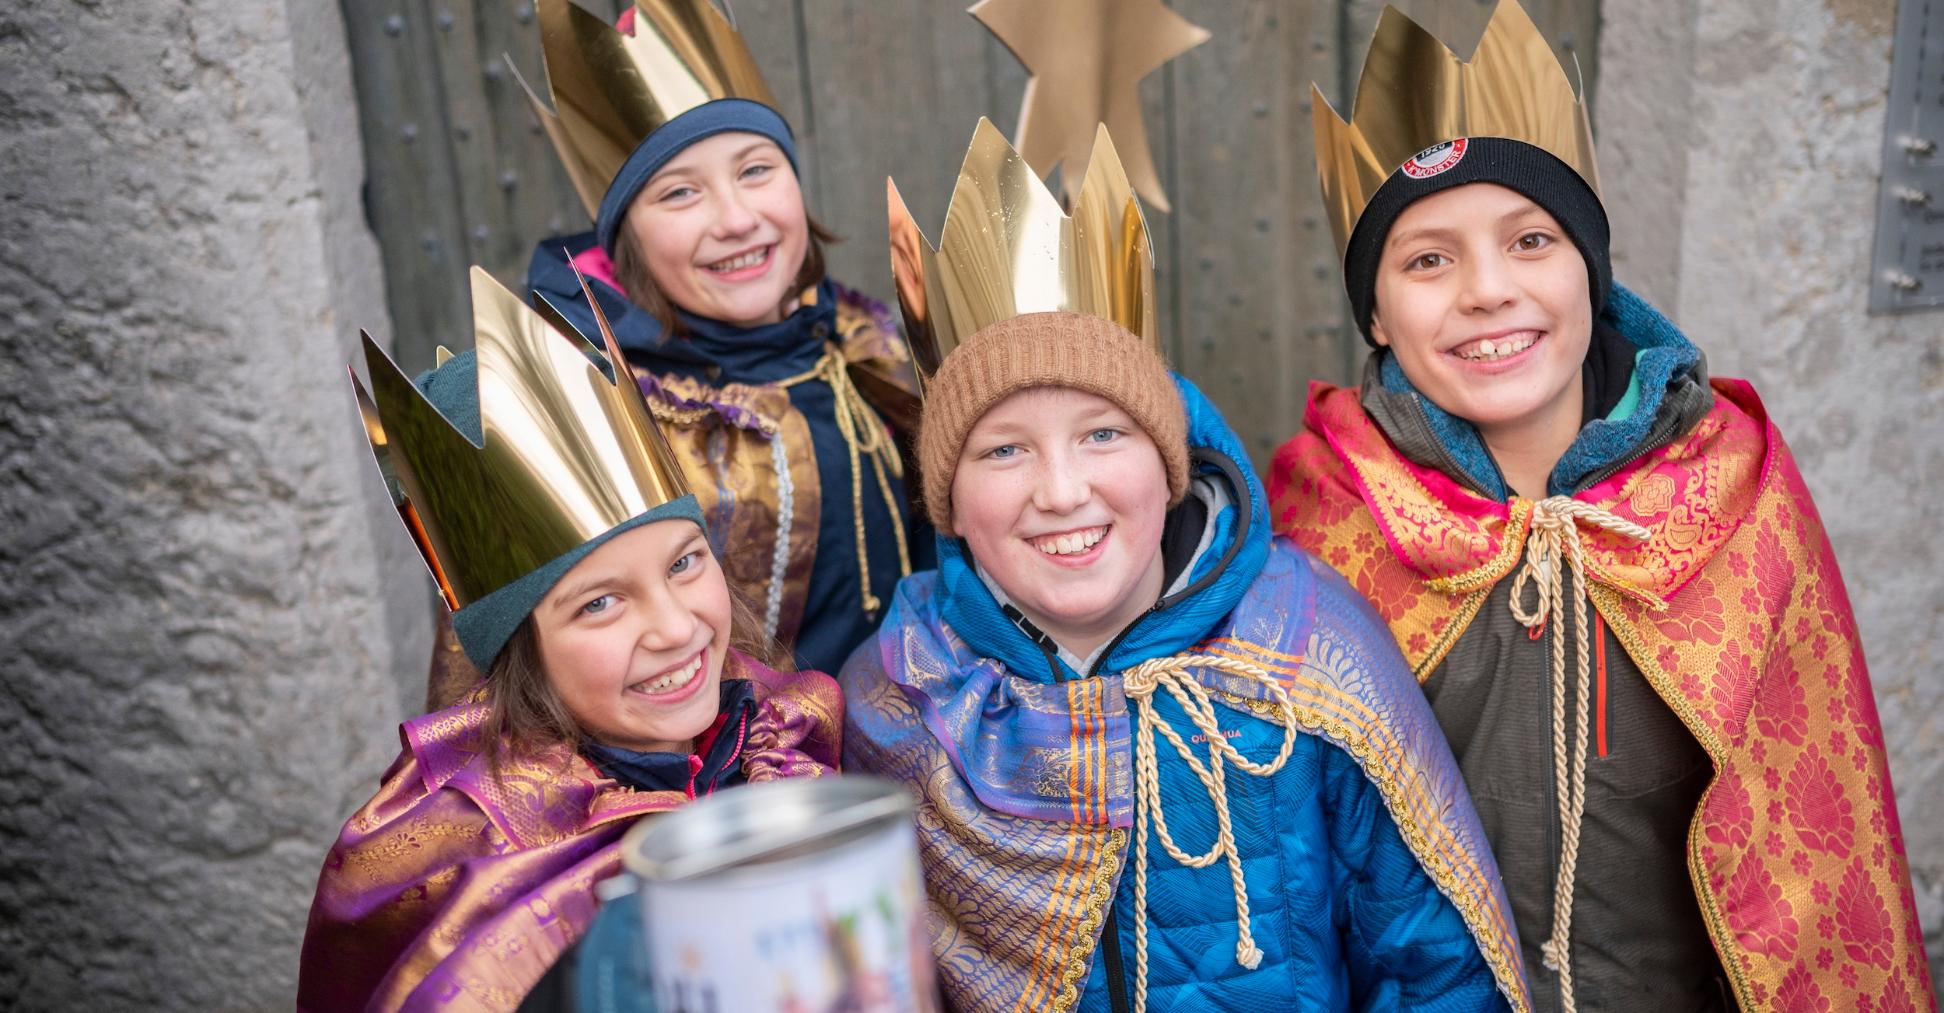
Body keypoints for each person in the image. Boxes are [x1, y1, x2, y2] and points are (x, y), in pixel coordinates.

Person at [1268, 4, 1931, 1010]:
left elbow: (1819, 835)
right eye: (1428, 259)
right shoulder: (1323, 525)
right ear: (1374, 310)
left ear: (1591, 267)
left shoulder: (1735, 490)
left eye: (1531, 239)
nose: (1488, 290)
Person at [842, 119, 1528, 1013]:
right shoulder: (898, 693)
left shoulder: (1304, 646)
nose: (1061, 491)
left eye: (1102, 434)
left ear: (1168, 462)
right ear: (948, 501)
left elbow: (1430, 966)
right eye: (1004, 451)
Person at [297, 269, 841, 1011]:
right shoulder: (462, 863)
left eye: (684, 562)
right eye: (601, 603)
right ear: (523, 651)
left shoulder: (786, 734)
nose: (677, 627)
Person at [425, 0, 928, 707]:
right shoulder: (599, 410)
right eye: (680, 192)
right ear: (625, 240)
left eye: (756, 170)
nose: (736, 218)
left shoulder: (858, 341)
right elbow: (511, 685)